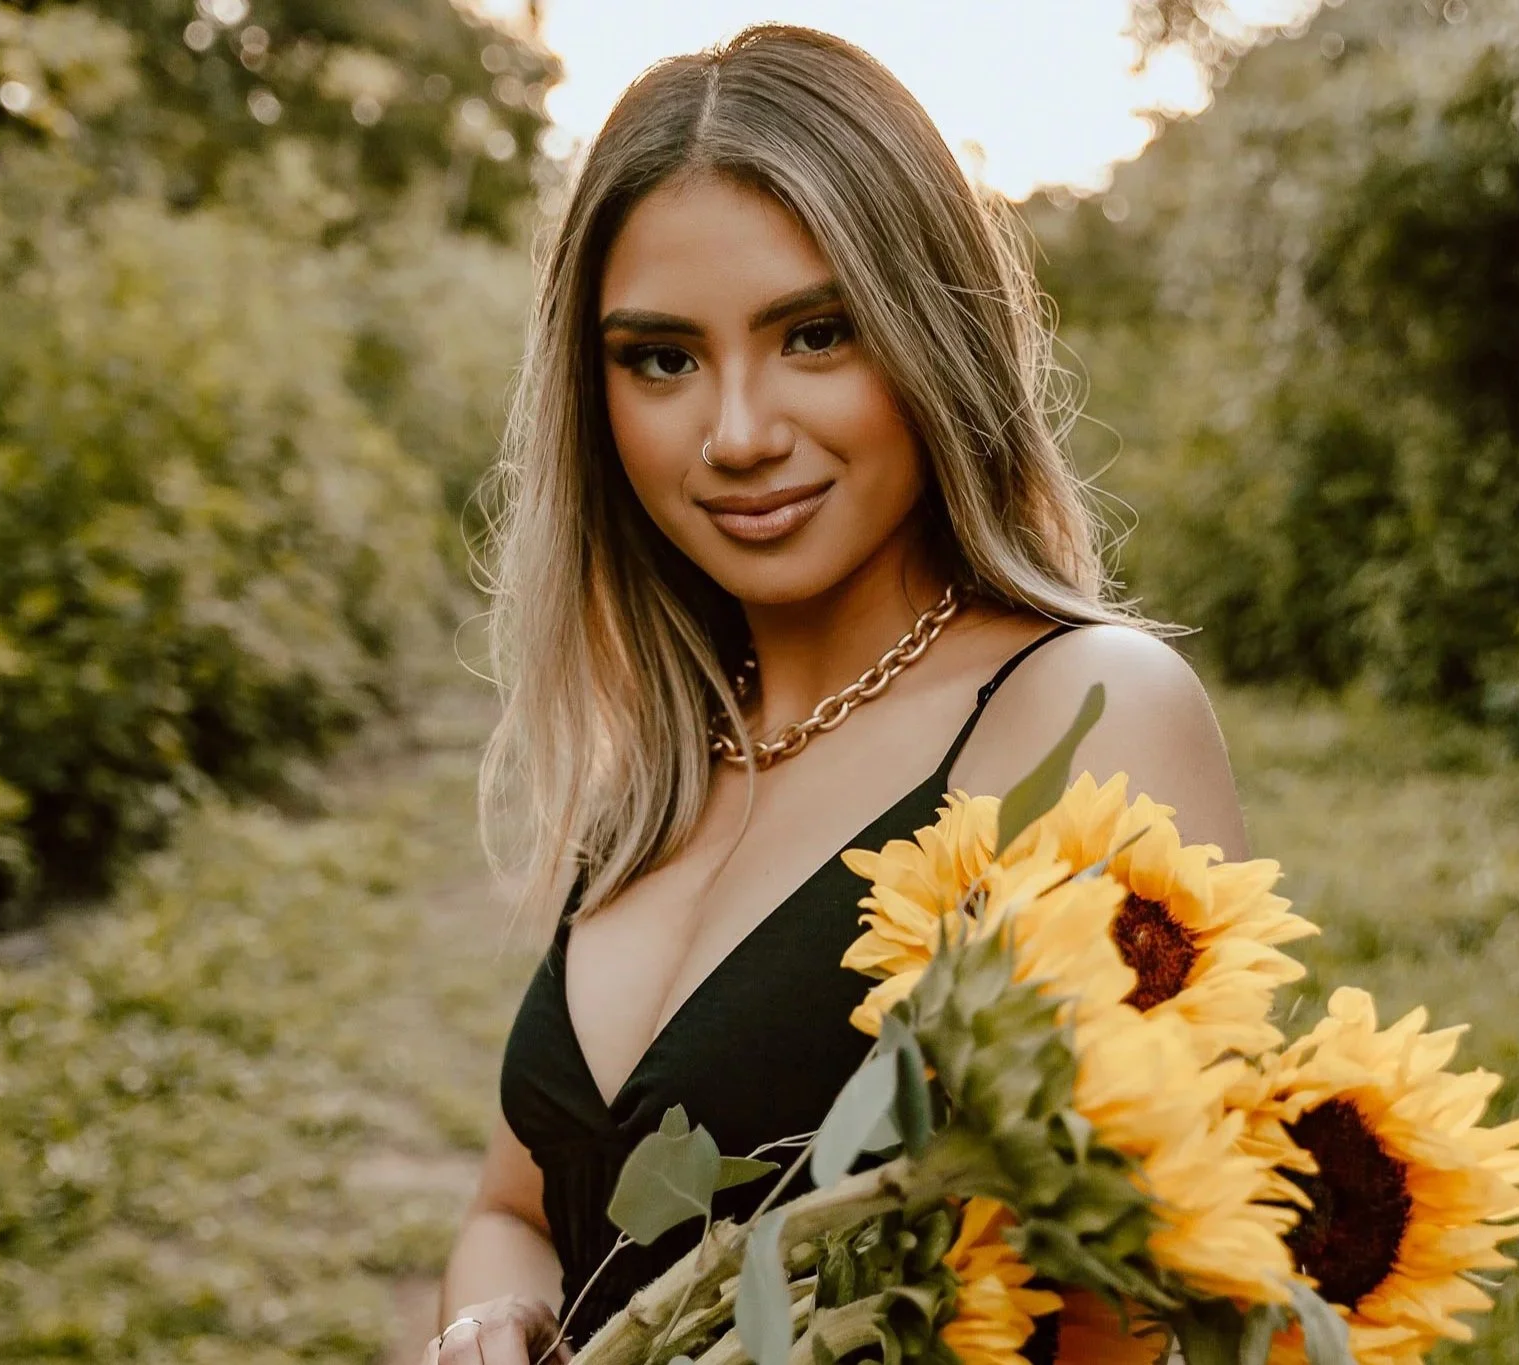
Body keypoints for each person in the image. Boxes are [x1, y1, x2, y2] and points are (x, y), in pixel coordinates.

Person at [422, 23, 1247, 1365]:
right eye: (662, 359)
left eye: (816, 334)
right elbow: (518, 1206)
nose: (739, 432)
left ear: (933, 336)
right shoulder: (667, 750)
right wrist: (486, 1315)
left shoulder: (1083, 713)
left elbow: (1154, 1312)